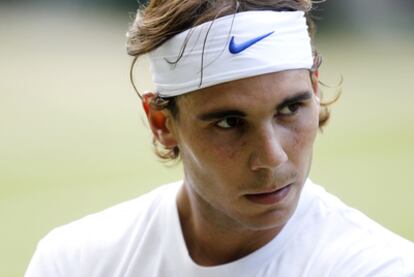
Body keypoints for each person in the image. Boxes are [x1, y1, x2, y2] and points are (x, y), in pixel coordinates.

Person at [26, 0, 414, 276]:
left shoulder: (379, 267)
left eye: (290, 109)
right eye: (229, 122)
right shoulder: (73, 261)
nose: (272, 158)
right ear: (162, 122)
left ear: (314, 91)